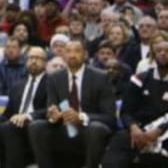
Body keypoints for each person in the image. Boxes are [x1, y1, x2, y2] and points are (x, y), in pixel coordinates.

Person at [28, 39, 116, 168]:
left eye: (77, 51)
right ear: (63, 55)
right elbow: (51, 109)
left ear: (85, 54)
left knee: (96, 128)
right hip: (63, 127)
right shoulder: (55, 78)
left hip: (88, 128)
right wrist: (53, 115)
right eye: (68, 51)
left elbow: (109, 117)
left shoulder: (101, 77)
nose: (72, 55)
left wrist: (80, 117)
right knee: (36, 126)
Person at [0, 46, 48, 168]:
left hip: (34, 127)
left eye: (38, 58)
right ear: (26, 61)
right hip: (12, 126)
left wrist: (28, 116)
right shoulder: (18, 86)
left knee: (10, 127)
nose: (34, 61)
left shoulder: (51, 83)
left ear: (45, 63)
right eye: (31, 58)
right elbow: (8, 113)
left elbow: (50, 110)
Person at [102, 39, 168, 168]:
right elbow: (125, 111)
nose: (163, 54)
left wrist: (159, 130)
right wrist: (133, 128)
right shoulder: (139, 79)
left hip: (164, 130)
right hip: (138, 129)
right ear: (153, 55)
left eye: (167, 51)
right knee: (117, 146)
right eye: (159, 51)